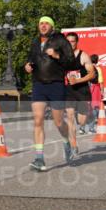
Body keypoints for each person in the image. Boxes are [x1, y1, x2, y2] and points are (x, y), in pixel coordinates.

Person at [25, 17, 77, 171]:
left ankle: (67, 142)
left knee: (59, 122)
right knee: (38, 120)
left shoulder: (60, 40)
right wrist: (27, 66)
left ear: (52, 26)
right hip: (38, 84)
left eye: (46, 23)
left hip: (56, 84)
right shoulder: (35, 42)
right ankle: (39, 159)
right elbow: (30, 59)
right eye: (41, 23)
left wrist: (56, 55)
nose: (43, 25)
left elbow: (71, 61)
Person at [64, 33, 96, 152]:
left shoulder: (83, 56)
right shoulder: (63, 57)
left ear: (77, 42)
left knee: (81, 121)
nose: (70, 44)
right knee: (70, 117)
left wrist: (77, 80)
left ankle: (86, 117)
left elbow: (92, 74)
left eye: (72, 41)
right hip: (69, 91)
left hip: (82, 90)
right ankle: (73, 145)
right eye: (68, 42)